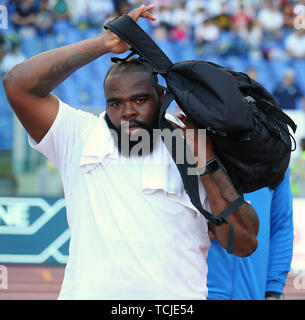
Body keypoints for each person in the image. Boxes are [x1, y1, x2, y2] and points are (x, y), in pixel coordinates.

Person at [3, 4, 259, 300]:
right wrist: (104, 43)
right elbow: (17, 85)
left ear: (160, 97)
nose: (127, 112)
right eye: (115, 103)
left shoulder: (189, 147)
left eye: (139, 100)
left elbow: (243, 243)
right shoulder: (80, 136)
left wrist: (208, 164)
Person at [207, 169, 293, 300]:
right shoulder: (185, 150)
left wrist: (273, 291)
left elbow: (280, 226)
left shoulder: (276, 151)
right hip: (196, 291)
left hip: (253, 292)